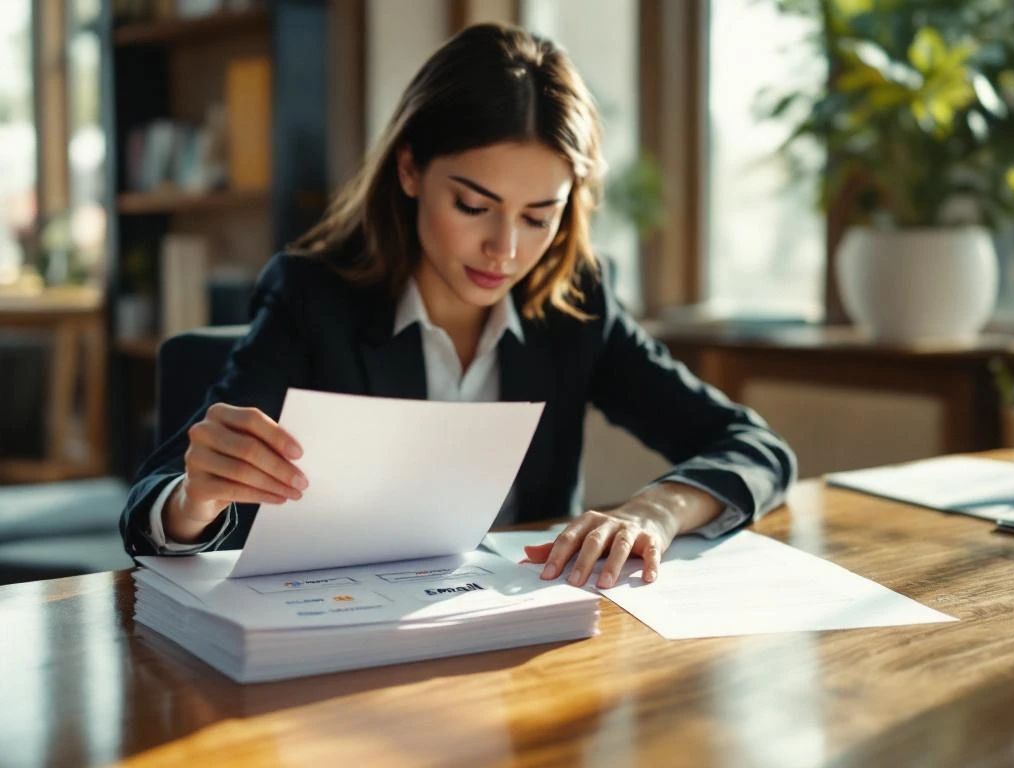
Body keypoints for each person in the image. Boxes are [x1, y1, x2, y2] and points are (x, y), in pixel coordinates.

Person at [120, 23, 796, 589]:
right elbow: (152, 515)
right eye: (473, 205)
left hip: (520, 652)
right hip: (344, 655)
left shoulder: (573, 305)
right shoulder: (312, 298)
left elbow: (756, 447)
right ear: (410, 171)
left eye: (540, 216)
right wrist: (196, 496)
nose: (504, 248)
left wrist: (656, 510)